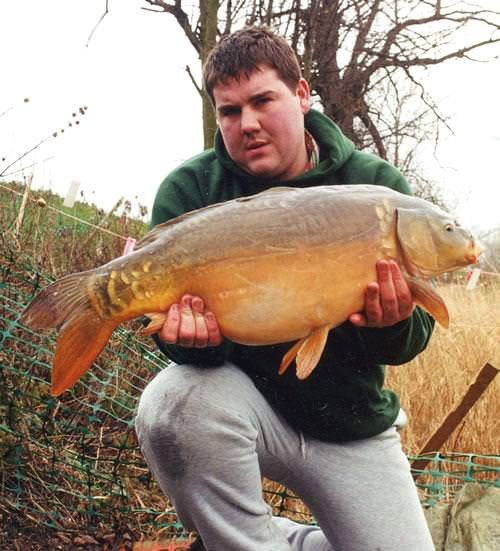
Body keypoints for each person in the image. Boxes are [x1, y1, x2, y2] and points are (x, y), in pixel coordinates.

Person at [135, 26, 435, 551]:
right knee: (172, 400)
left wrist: (393, 324)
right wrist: (190, 339)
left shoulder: (377, 189)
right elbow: (176, 344)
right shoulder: (191, 190)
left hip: (345, 420)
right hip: (237, 406)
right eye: (229, 112)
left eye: (262, 101)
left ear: (301, 95)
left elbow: (409, 342)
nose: (247, 123)